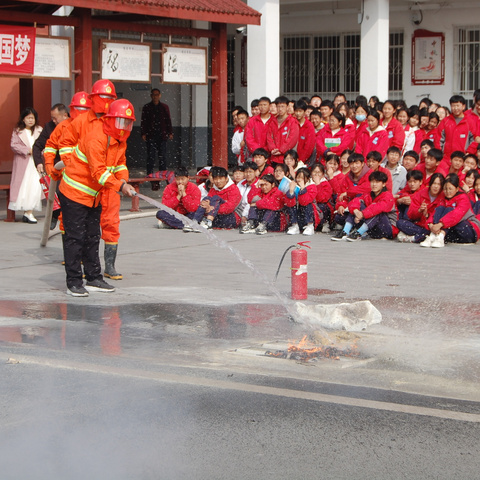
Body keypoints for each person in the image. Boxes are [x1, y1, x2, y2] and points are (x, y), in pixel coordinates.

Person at [58, 99, 136, 297]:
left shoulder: (119, 141)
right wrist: (120, 186)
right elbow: (99, 173)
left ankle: (93, 278)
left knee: (92, 237)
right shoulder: (96, 137)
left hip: (93, 197)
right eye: (121, 122)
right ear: (110, 120)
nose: (124, 127)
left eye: (127, 123)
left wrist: (124, 179)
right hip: (74, 194)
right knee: (75, 239)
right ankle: (74, 282)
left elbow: (120, 165)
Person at [43, 93, 92, 230]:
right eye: (78, 110)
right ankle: (68, 241)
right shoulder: (63, 126)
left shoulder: (93, 127)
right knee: (67, 213)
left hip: (89, 178)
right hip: (67, 177)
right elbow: (51, 146)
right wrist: (49, 165)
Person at [331, 170, 398, 242]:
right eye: (372, 182)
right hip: (372, 228)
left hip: (387, 229)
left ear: (384, 184)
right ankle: (345, 231)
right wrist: (356, 211)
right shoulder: (368, 194)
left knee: (377, 211)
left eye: (377, 182)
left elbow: (378, 208)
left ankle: (359, 233)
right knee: (358, 205)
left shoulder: (388, 196)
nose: (374, 184)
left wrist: (362, 214)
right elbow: (355, 201)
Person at [420, 173, 480, 247]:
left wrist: (440, 224)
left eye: (450, 189)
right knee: (440, 208)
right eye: (445, 189)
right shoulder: (443, 197)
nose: (447, 191)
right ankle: (434, 235)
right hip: (453, 230)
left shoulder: (463, 198)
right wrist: (431, 224)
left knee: (449, 209)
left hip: (469, 230)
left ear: (457, 189)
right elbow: (435, 212)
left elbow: (456, 214)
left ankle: (440, 234)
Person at [9, 107, 43, 223]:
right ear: (23, 119)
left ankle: (29, 212)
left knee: (35, 187)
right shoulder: (18, 131)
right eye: (28, 118)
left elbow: (46, 144)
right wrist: (28, 150)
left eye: (32, 118)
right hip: (23, 162)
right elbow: (14, 145)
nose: (30, 120)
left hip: (36, 163)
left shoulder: (39, 130)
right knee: (24, 187)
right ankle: (27, 212)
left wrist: (39, 152)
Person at [184, 166, 241, 231]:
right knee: (206, 198)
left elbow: (229, 208)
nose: (218, 181)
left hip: (231, 218)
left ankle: (208, 221)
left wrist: (211, 209)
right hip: (216, 216)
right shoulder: (213, 189)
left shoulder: (233, 189)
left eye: (220, 178)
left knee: (216, 198)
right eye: (216, 179)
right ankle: (195, 221)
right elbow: (208, 202)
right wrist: (208, 207)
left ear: (226, 178)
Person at [397, 173, 445, 243]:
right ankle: (424, 236)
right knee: (400, 223)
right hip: (420, 225)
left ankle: (415, 238)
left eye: (439, 184)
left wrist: (427, 216)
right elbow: (410, 214)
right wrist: (419, 211)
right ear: (430, 184)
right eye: (434, 183)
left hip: (433, 226)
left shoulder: (442, 197)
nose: (436, 186)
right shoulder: (421, 193)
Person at [141, 88, 173, 186]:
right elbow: (144, 121)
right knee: (151, 156)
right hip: (151, 135)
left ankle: (163, 175)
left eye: (157, 95)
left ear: (160, 96)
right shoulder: (147, 107)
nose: (155, 96)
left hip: (162, 135)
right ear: (151, 96)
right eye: (153, 95)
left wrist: (170, 132)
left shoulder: (164, 107)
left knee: (162, 156)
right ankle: (150, 175)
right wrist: (143, 133)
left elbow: (168, 120)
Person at [333, 152, 372, 228]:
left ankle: (351, 226)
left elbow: (367, 188)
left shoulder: (370, 174)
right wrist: (341, 205)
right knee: (338, 217)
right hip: (350, 207)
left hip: (365, 206)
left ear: (363, 164)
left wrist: (348, 193)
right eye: (352, 163)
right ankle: (353, 224)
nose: (354, 166)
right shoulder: (348, 177)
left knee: (359, 195)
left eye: (357, 163)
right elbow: (341, 194)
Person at [33, 103, 69, 174]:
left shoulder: (75, 124)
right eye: (52, 118)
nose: (53, 121)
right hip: (56, 169)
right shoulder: (49, 127)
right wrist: (39, 163)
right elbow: (37, 145)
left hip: (73, 167)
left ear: (65, 116)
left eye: (55, 118)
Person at [284, 167, 319, 236]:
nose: (299, 180)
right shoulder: (294, 186)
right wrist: (291, 191)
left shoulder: (312, 186)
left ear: (308, 179)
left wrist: (303, 189)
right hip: (298, 214)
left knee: (307, 205)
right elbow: (289, 204)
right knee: (291, 206)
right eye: (298, 177)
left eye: (303, 178)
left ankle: (310, 226)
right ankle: (295, 225)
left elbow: (305, 201)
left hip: (309, 214)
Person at [266, 96, 299, 163]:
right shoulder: (272, 121)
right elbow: (269, 137)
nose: (280, 109)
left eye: (282, 106)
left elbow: (292, 139)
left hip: (287, 158)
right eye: (278, 106)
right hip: (274, 157)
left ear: (287, 107)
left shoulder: (292, 121)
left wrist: (281, 150)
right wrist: (273, 149)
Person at [311, 164, 333, 232]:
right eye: (314, 172)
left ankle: (325, 223)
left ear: (323, 174)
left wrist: (318, 184)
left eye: (319, 172)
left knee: (322, 206)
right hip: (312, 204)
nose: (316, 174)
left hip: (324, 205)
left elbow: (321, 199)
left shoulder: (326, 184)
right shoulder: (309, 182)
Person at [294, 101, 316, 165]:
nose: (298, 113)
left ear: (305, 111)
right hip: (291, 159)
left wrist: (301, 160)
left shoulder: (309, 125)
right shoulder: (292, 123)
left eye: (300, 111)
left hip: (304, 160)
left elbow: (309, 145)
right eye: (296, 111)